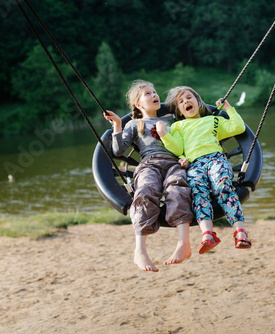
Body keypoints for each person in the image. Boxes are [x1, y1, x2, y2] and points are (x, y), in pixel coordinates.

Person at [103, 80, 194, 272]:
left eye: (154, 92)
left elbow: (189, 135)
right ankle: (140, 250)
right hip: (149, 164)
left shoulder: (172, 119)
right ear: (138, 105)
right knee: (144, 191)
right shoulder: (136, 124)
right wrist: (118, 125)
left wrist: (186, 158)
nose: (154, 95)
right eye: (147, 94)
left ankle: (183, 244)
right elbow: (118, 150)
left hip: (174, 163)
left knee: (178, 188)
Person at [156, 86, 252, 254]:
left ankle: (240, 232)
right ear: (179, 110)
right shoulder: (179, 126)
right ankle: (207, 234)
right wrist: (164, 135)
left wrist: (229, 109)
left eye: (189, 97)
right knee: (198, 193)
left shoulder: (214, 120)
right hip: (194, 164)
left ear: (198, 102)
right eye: (181, 101)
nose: (186, 101)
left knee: (223, 186)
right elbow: (178, 149)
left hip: (216, 159)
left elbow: (238, 127)